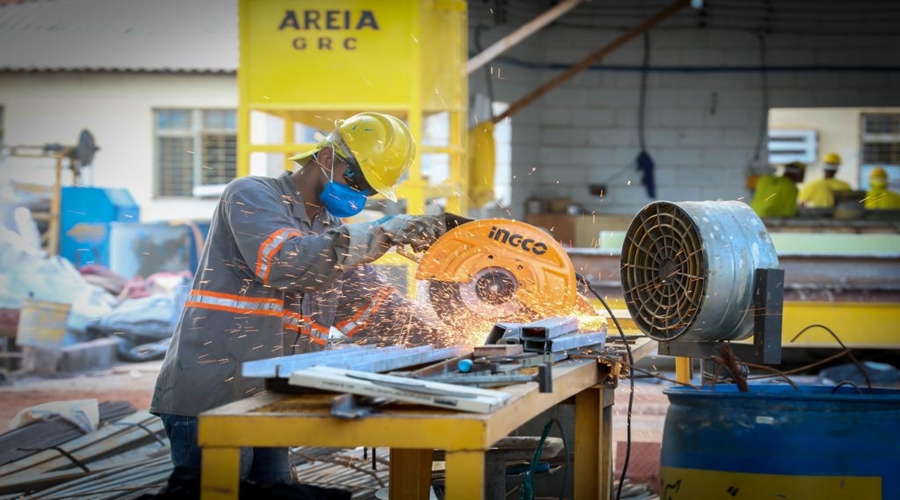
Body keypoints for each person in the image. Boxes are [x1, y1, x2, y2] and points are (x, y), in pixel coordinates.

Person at [150, 112, 451, 492]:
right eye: (355, 180)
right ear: (326, 157)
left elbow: (376, 310)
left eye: (369, 190)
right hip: (213, 394)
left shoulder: (332, 235)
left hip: (272, 397)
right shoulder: (250, 195)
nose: (359, 195)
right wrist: (383, 233)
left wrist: (456, 337)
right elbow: (284, 262)